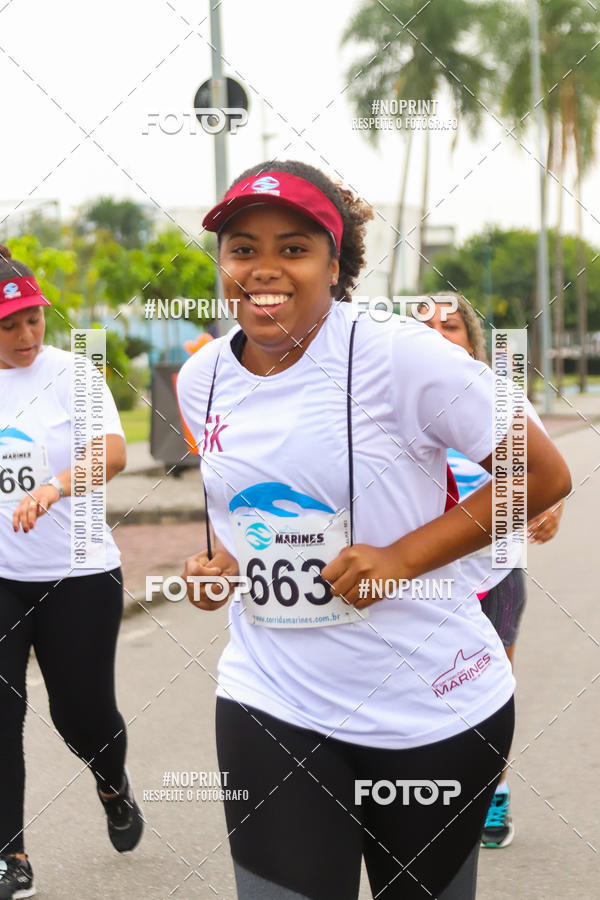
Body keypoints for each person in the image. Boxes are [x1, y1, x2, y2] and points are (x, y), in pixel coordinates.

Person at [176, 161, 571, 899]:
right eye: (242, 248)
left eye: (293, 248)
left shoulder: (398, 353)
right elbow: (250, 514)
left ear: (336, 262)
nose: (264, 269)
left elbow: (541, 474)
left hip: (433, 703)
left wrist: (402, 557)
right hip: (274, 697)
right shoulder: (202, 379)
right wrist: (220, 563)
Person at [0, 246, 143, 900]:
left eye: (34, 319)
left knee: (81, 714)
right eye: (10, 325)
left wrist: (55, 488)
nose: (28, 336)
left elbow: (111, 452)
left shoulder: (72, 372)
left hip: (79, 574)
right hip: (3, 577)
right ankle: (11, 856)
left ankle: (112, 784)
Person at [420, 293, 564, 849]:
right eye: (426, 327)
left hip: (495, 571)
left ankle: (491, 795)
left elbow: (544, 473)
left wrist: (551, 509)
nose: (439, 336)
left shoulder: (502, 399)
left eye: (451, 327)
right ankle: (424, 793)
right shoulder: (390, 405)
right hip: (421, 581)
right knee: (426, 690)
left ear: (472, 342)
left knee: (490, 687)